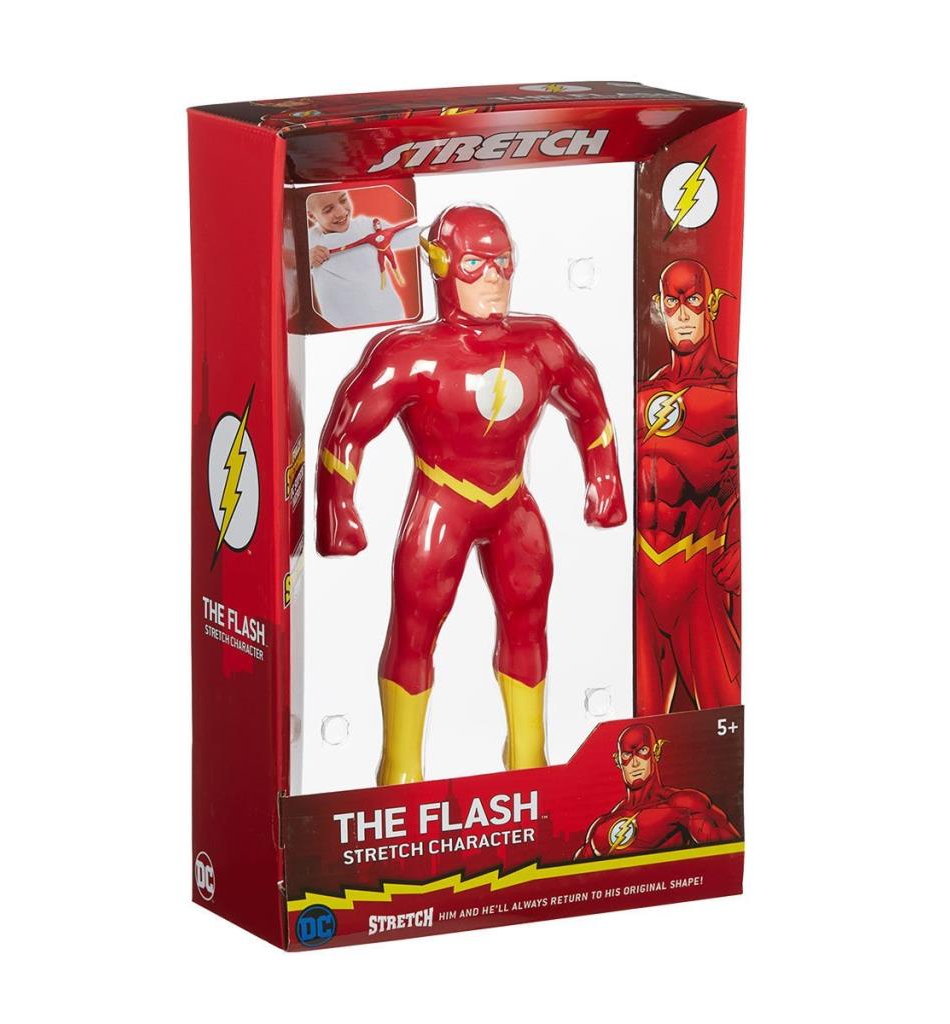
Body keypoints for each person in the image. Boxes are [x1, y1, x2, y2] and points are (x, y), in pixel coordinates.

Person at [316, 204, 626, 785]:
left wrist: (604, 478)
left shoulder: (541, 340)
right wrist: (338, 507)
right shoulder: (411, 352)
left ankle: (529, 760)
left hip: (513, 503)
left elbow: (590, 407)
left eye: (504, 262)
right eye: (475, 264)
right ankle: (401, 770)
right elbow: (349, 428)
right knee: (414, 631)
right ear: (441, 266)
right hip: (443, 502)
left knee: (528, 623)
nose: (494, 278)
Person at [635, 259, 740, 714]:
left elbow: (716, 472)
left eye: (692, 300)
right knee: (640, 720)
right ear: (659, 306)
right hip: (642, 577)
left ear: (710, 306)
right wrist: (685, 449)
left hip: (697, 568)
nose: (681, 315)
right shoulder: (647, 388)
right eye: (672, 303)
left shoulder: (733, 386)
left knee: (725, 715)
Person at [575, 723, 739, 859]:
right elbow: (576, 879)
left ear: (656, 752)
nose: (635, 763)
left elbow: (731, 857)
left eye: (642, 751)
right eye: (627, 755)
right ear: (618, 760)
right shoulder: (601, 827)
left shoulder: (683, 804)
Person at [307, 190, 418, 327]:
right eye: (328, 210)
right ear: (312, 216)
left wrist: (435, 228)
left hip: (390, 317)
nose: (341, 212)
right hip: (343, 327)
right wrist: (306, 259)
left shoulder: (369, 226)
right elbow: (288, 275)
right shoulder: (308, 241)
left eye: (343, 200)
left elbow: (410, 237)